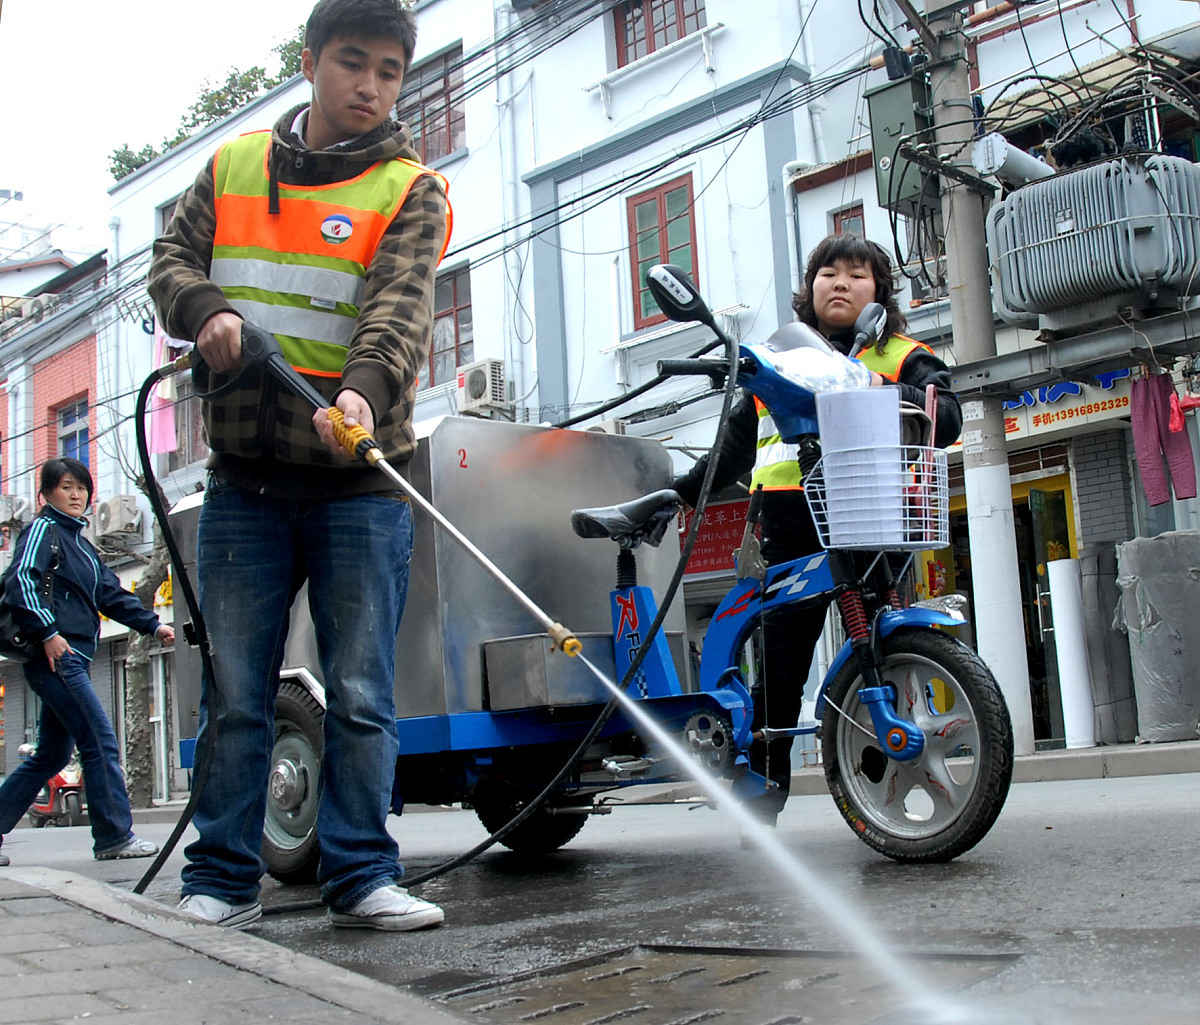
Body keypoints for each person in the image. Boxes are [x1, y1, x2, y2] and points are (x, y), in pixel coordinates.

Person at [148, 0, 452, 931]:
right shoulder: (232, 166)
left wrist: (360, 396)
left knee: (362, 692)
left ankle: (361, 875)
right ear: (311, 62)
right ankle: (220, 879)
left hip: (358, 480)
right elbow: (169, 260)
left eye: (390, 71)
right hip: (244, 480)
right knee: (238, 692)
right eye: (352, 63)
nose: (371, 86)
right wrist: (204, 310)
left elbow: (398, 311)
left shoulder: (412, 189)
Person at [672, 234, 963, 826]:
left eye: (858, 274)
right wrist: (681, 494)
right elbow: (734, 446)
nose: (841, 283)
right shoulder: (779, 360)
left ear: (879, 291)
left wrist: (879, 386)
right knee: (780, 670)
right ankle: (761, 798)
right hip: (788, 525)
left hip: (872, 519)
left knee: (882, 653)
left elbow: (948, 414)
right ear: (810, 288)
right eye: (828, 272)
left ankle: (881, 782)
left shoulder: (900, 354)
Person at [0, 458, 174, 867]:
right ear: (46, 494)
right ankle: (114, 836)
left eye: (81, 488)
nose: (76, 495)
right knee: (98, 740)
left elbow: (109, 594)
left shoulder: (80, 543)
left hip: (70, 655)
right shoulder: (43, 530)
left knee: (51, 755)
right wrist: (48, 632)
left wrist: (152, 625)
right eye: (66, 487)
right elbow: (21, 580)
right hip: (58, 656)